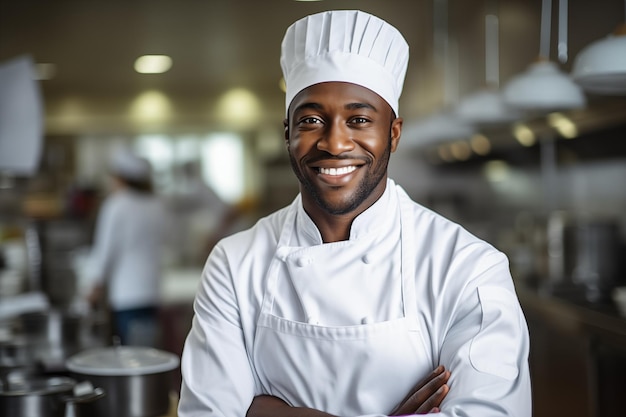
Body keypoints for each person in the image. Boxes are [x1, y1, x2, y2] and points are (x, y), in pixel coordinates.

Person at [178, 9, 531, 417]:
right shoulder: (235, 263)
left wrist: (262, 410)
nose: (334, 142)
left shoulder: (467, 267)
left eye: (359, 119)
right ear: (287, 134)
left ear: (392, 134)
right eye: (311, 120)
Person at [85, 147, 170, 347]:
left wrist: (94, 286)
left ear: (120, 178)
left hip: (126, 294)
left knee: (132, 354)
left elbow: (104, 250)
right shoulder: (157, 205)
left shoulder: (116, 205)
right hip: (152, 290)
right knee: (149, 351)